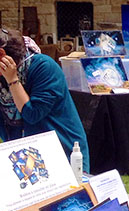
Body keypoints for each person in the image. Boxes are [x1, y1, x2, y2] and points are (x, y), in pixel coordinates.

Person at [0, 28, 90, 170]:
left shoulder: (44, 68)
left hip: (61, 153)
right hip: (23, 157)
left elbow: (33, 114)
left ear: (3, 55)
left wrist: (12, 80)